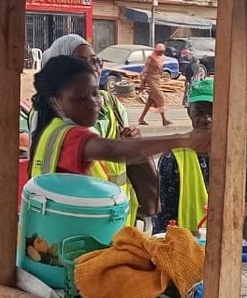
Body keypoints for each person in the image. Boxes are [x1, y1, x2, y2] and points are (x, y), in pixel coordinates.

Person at [28, 55, 207, 181]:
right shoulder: (70, 135)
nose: (92, 103)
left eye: (95, 93)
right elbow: (114, 151)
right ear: (56, 101)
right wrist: (185, 141)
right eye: (79, 97)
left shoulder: (51, 130)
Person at [35, 34, 141, 221]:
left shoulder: (112, 105)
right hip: (71, 217)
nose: (91, 68)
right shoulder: (45, 116)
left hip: (113, 216)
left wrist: (132, 140)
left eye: (95, 61)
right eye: (80, 62)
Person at [152, 78, 247, 234]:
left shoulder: (235, 154)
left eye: (213, 111)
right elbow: (164, 216)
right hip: (185, 251)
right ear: (189, 112)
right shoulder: (173, 158)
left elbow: (245, 203)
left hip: (227, 247)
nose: (207, 119)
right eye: (199, 112)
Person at [138, 43, 171, 126]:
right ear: (157, 50)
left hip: (157, 80)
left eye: (162, 51)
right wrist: (142, 80)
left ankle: (142, 118)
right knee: (160, 97)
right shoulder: (151, 58)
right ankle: (164, 120)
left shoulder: (160, 58)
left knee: (151, 100)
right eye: (160, 51)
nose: (161, 53)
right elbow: (145, 68)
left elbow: (160, 70)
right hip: (151, 80)